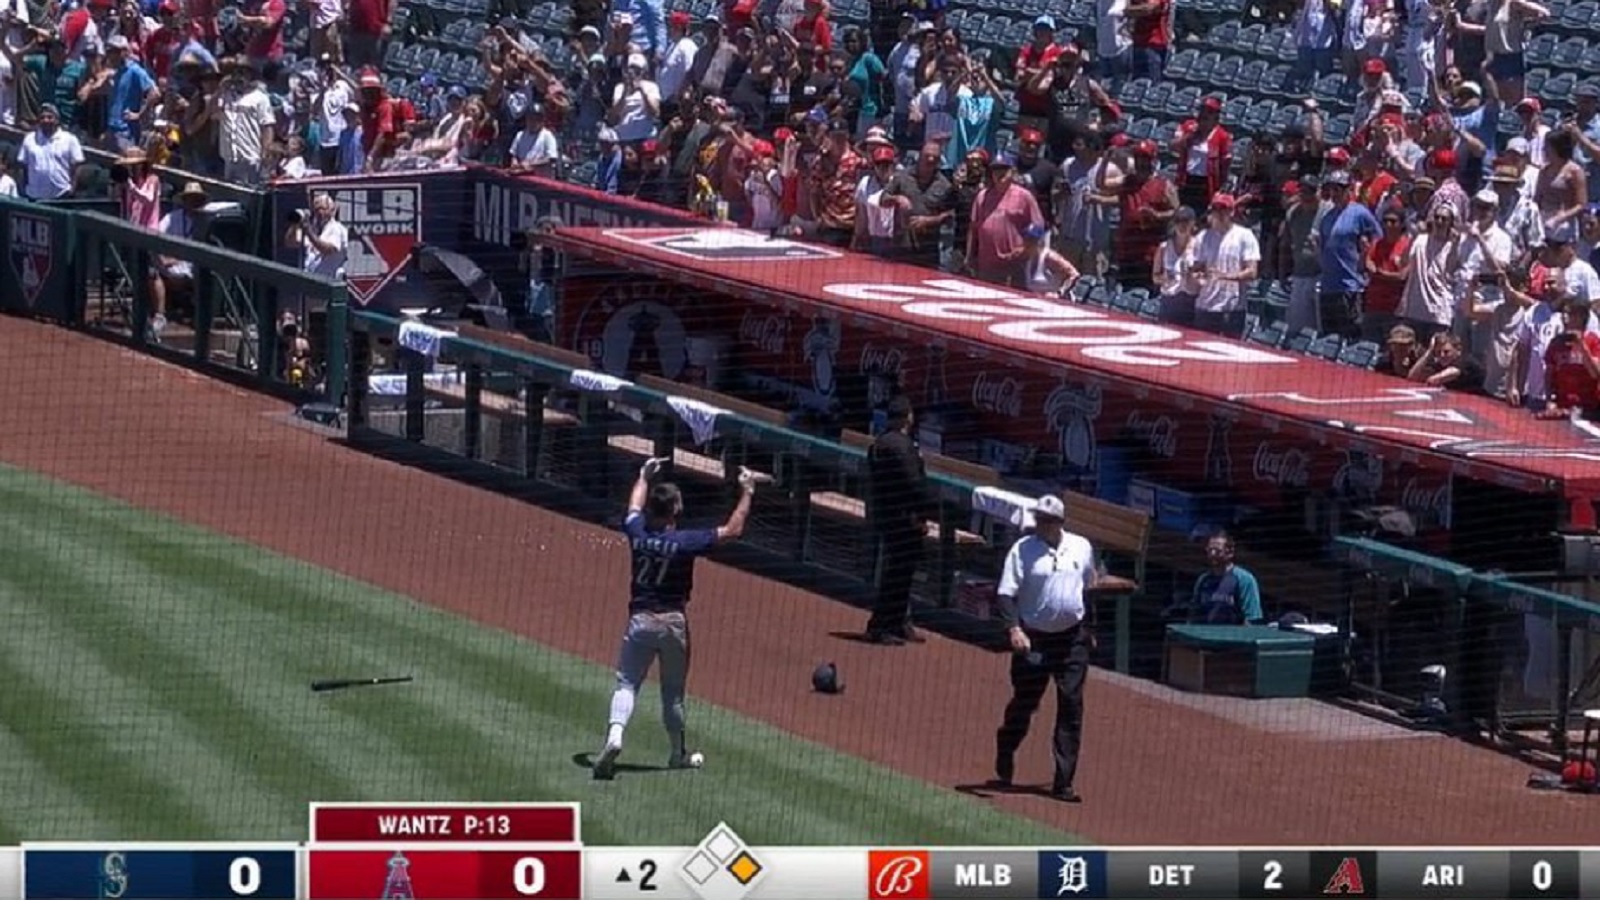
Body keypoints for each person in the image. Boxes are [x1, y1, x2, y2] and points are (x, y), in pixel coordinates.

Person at [593, 456, 761, 780]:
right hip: (673, 623)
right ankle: (676, 754)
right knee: (673, 692)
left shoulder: (637, 531)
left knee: (627, 683)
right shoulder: (684, 542)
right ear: (675, 511)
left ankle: (615, 736)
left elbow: (632, 505)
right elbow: (733, 530)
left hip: (640, 621)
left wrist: (643, 475)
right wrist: (748, 492)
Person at [992, 494, 1097, 803]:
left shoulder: (1081, 546)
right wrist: (1013, 628)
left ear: (1060, 522)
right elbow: (1005, 594)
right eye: (1038, 518)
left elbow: (1089, 587)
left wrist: (1091, 628)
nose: (1040, 524)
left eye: (1047, 519)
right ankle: (1006, 746)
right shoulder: (1022, 550)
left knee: (1071, 705)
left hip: (1072, 639)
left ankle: (1063, 782)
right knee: (1025, 702)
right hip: (1034, 638)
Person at [864, 395, 931, 645]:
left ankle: (899, 622)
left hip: (885, 515)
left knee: (899, 573)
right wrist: (922, 516)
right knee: (897, 575)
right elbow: (915, 486)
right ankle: (880, 626)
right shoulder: (902, 446)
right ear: (907, 417)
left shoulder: (879, 443)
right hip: (904, 520)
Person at [1185, 531, 1264, 625]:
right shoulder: (1203, 580)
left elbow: (1252, 617)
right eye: (1210, 550)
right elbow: (1194, 614)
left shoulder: (1244, 579)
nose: (1213, 554)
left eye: (1217, 551)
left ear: (1230, 552)